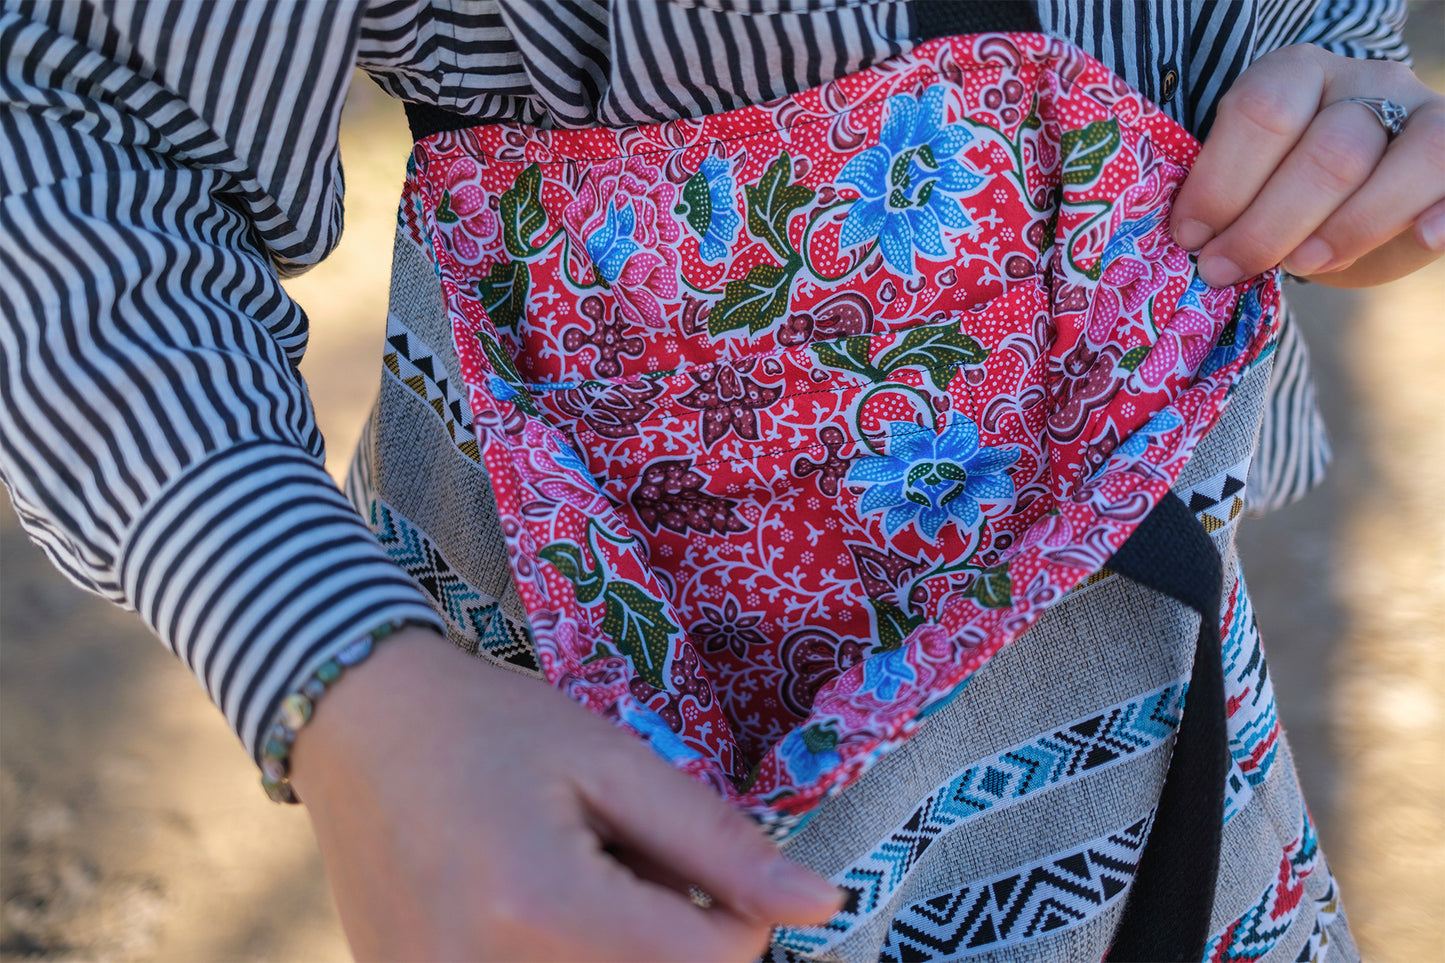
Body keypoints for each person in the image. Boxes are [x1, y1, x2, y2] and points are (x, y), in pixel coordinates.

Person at [1, 1, 1440, 960]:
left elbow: (1294, 35)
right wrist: (339, 670)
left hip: (1145, 638)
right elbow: (75, 115)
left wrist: (1338, 121)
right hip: (559, 673)